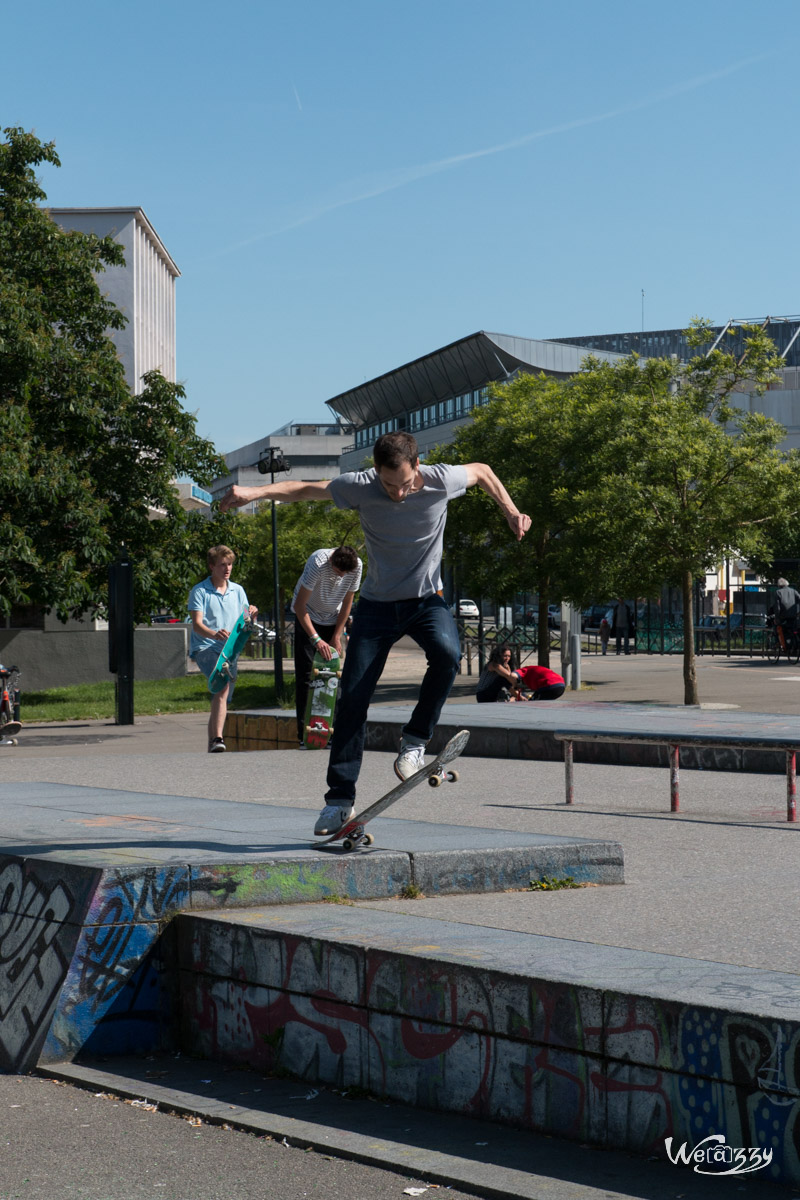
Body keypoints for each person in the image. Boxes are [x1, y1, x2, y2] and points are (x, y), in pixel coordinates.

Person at [221, 431, 531, 834]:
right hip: (377, 606)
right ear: (375, 473)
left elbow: (484, 472)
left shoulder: (442, 479)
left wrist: (510, 510)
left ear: (417, 467)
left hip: (426, 601)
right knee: (352, 695)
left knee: (448, 654)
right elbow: (304, 489)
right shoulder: (360, 486)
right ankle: (338, 801)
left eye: (404, 484)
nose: (397, 493)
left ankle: (415, 742)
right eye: (388, 485)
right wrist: (254, 493)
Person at [188, 544, 257, 753]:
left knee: (223, 696)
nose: (227, 569)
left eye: (229, 565)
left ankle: (212, 744)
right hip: (206, 647)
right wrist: (214, 633)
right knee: (222, 684)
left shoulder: (238, 590)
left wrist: (252, 614)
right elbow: (197, 624)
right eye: (222, 565)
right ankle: (218, 737)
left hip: (230, 650)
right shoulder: (200, 591)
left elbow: (245, 623)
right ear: (211, 566)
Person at [292, 545, 362, 744]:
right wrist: (316, 639)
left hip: (332, 618)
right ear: (331, 561)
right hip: (308, 616)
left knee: (333, 676)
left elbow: (348, 601)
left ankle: (332, 733)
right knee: (308, 677)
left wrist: (337, 635)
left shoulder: (356, 567)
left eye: (344, 574)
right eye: (338, 573)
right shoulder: (318, 562)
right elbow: (299, 605)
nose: (341, 578)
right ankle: (304, 735)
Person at [774, 578, 800, 649]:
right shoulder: (793, 591)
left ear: (779, 585)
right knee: (792, 629)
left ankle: (777, 642)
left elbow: (777, 607)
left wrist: (777, 618)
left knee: (776, 627)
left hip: (783, 617)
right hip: (793, 616)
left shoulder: (778, 592)